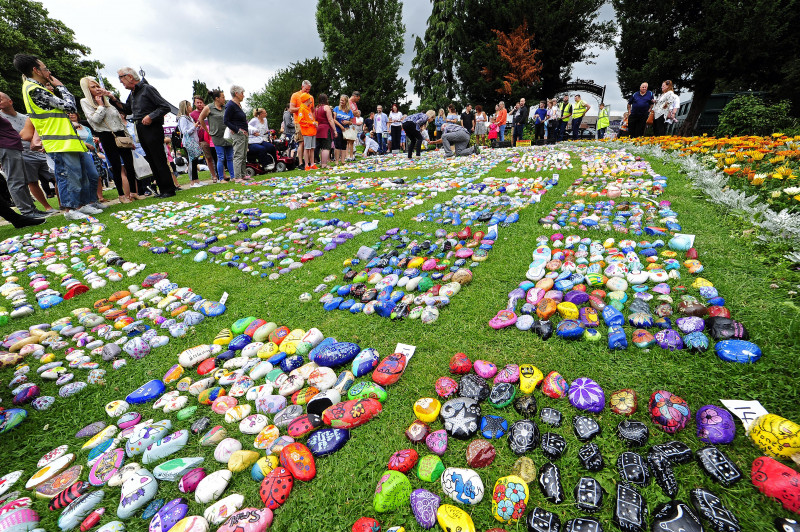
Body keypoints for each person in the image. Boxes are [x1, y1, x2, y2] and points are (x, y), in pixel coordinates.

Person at [14, 53, 102, 220]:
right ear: (36, 70)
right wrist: (62, 87)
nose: (48, 72)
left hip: (67, 140)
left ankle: (81, 205)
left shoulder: (34, 88)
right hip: (59, 142)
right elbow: (69, 106)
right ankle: (70, 209)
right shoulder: (34, 89)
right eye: (45, 68)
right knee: (68, 175)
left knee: (79, 174)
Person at [107, 67, 175, 197]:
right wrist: (113, 98)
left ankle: (168, 189)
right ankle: (162, 189)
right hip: (140, 128)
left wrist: (151, 116)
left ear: (130, 77)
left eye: (121, 78)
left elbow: (164, 106)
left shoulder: (147, 89)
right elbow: (127, 110)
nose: (121, 82)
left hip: (152, 128)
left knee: (158, 159)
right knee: (151, 159)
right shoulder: (133, 93)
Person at [79, 77, 141, 203]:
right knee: (116, 166)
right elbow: (94, 120)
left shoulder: (106, 100)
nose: (97, 89)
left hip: (120, 133)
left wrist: (128, 137)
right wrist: (100, 106)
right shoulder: (85, 102)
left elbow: (120, 119)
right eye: (93, 87)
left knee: (129, 164)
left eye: (97, 86)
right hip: (106, 135)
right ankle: (121, 195)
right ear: (87, 89)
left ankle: (134, 193)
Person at [0, 92, 57, 214]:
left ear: (10, 101)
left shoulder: (23, 117)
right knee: (18, 181)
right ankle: (28, 211)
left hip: (23, 150)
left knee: (22, 181)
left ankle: (32, 209)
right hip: (10, 149)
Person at [68, 111, 105, 202]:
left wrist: (95, 151)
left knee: (95, 175)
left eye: (73, 113)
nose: (71, 114)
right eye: (68, 114)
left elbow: (91, 140)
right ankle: (88, 201)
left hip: (91, 153)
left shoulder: (86, 128)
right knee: (84, 177)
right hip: (78, 153)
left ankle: (96, 199)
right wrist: (85, 144)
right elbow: (71, 140)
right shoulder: (67, 128)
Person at [198, 89, 234, 183]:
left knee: (230, 157)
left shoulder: (225, 107)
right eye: (223, 97)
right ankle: (221, 178)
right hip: (217, 136)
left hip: (227, 135)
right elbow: (201, 119)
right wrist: (207, 130)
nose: (224, 99)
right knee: (221, 157)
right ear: (217, 98)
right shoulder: (209, 107)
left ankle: (233, 176)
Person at [224, 85, 251, 182]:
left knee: (243, 154)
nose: (243, 96)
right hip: (238, 134)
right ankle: (238, 177)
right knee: (238, 155)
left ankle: (243, 175)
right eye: (242, 93)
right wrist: (236, 129)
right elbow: (226, 120)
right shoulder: (230, 105)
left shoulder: (238, 105)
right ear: (236, 94)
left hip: (244, 133)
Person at [289, 80, 316, 170]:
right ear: (302, 87)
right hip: (299, 122)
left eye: (309, 90)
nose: (307, 91)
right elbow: (291, 109)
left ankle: (310, 163)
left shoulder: (311, 97)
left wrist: (314, 121)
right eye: (306, 89)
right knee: (302, 142)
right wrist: (301, 108)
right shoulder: (295, 95)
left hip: (310, 124)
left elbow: (312, 110)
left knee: (311, 145)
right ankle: (301, 163)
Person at [190, 95, 218, 182]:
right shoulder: (192, 114)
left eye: (200, 102)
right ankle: (213, 176)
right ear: (194, 103)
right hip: (202, 139)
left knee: (218, 157)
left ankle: (221, 174)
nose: (199, 104)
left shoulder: (208, 111)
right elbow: (192, 127)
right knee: (209, 158)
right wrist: (198, 126)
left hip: (213, 137)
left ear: (203, 103)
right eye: (197, 103)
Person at [176, 100, 203, 187]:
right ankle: (192, 182)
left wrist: (196, 128)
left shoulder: (189, 118)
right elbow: (184, 132)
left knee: (195, 161)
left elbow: (192, 130)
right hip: (188, 143)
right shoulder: (183, 118)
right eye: (190, 106)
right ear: (185, 107)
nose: (191, 107)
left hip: (194, 142)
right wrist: (194, 127)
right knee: (191, 161)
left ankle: (197, 180)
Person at [314, 94, 336, 169]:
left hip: (318, 129)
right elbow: (330, 119)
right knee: (326, 147)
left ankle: (322, 163)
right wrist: (334, 130)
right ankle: (324, 164)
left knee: (321, 147)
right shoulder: (326, 107)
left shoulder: (316, 108)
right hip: (326, 128)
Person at [332, 95, 353, 165]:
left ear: (346, 102)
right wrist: (341, 126)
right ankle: (337, 160)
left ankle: (343, 160)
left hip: (345, 131)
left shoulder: (349, 111)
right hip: (338, 130)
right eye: (340, 100)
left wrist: (348, 122)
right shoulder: (336, 108)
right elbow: (333, 119)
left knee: (344, 146)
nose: (341, 102)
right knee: (337, 145)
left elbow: (351, 122)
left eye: (343, 100)